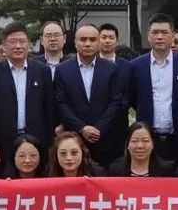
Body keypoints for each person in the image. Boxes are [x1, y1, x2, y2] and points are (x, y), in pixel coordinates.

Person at [0, 22, 55, 172]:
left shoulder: (43, 71)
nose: (18, 46)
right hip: (3, 141)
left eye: (22, 42)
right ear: (4, 45)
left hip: (37, 139)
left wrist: (50, 142)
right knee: (6, 180)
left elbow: (49, 109)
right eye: (13, 42)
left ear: (29, 44)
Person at [127, 13, 178, 162]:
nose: (159, 37)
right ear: (148, 35)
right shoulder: (135, 66)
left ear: (172, 35)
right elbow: (133, 98)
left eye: (164, 32)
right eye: (155, 32)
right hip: (148, 139)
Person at [54, 24, 128, 168]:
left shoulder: (113, 69)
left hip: (106, 139)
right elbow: (61, 103)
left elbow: (116, 102)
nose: (87, 44)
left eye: (92, 40)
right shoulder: (62, 70)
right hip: (74, 139)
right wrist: (82, 128)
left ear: (99, 42)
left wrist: (99, 128)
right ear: (75, 42)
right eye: (83, 40)